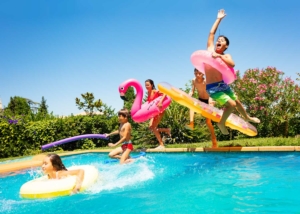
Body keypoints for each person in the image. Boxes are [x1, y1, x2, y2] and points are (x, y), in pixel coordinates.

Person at [204, 9, 260, 135]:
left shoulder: (226, 55)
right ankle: (221, 123)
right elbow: (211, 33)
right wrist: (219, 19)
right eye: (218, 39)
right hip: (212, 87)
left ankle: (247, 117)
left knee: (237, 101)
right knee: (231, 104)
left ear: (226, 46)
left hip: (222, 84)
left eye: (222, 40)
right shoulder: (209, 50)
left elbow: (232, 64)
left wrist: (220, 57)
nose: (219, 40)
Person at [185, 68, 218, 148]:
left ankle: (214, 142)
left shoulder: (206, 81)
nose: (197, 75)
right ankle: (191, 123)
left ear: (203, 74)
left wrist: (211, 103)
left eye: (199, 73)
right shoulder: (194, 81)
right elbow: (192, 91)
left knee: (208, 122)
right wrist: (189, 95)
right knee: (191, 105)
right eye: (196, 73)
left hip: (208, 100)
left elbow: (211, 93)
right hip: (201, 100)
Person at [145, 79, 171, 150]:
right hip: (154, 112)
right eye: (145, 85)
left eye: (148, 85)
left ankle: (161, 145)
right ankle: (166, 130)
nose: (146, 86)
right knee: (151, 127)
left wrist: (161, 102)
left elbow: (165, 93)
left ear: (152, 85)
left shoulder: (154, 91)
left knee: (153, 127)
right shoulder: (148, 93)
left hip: (160, 110)